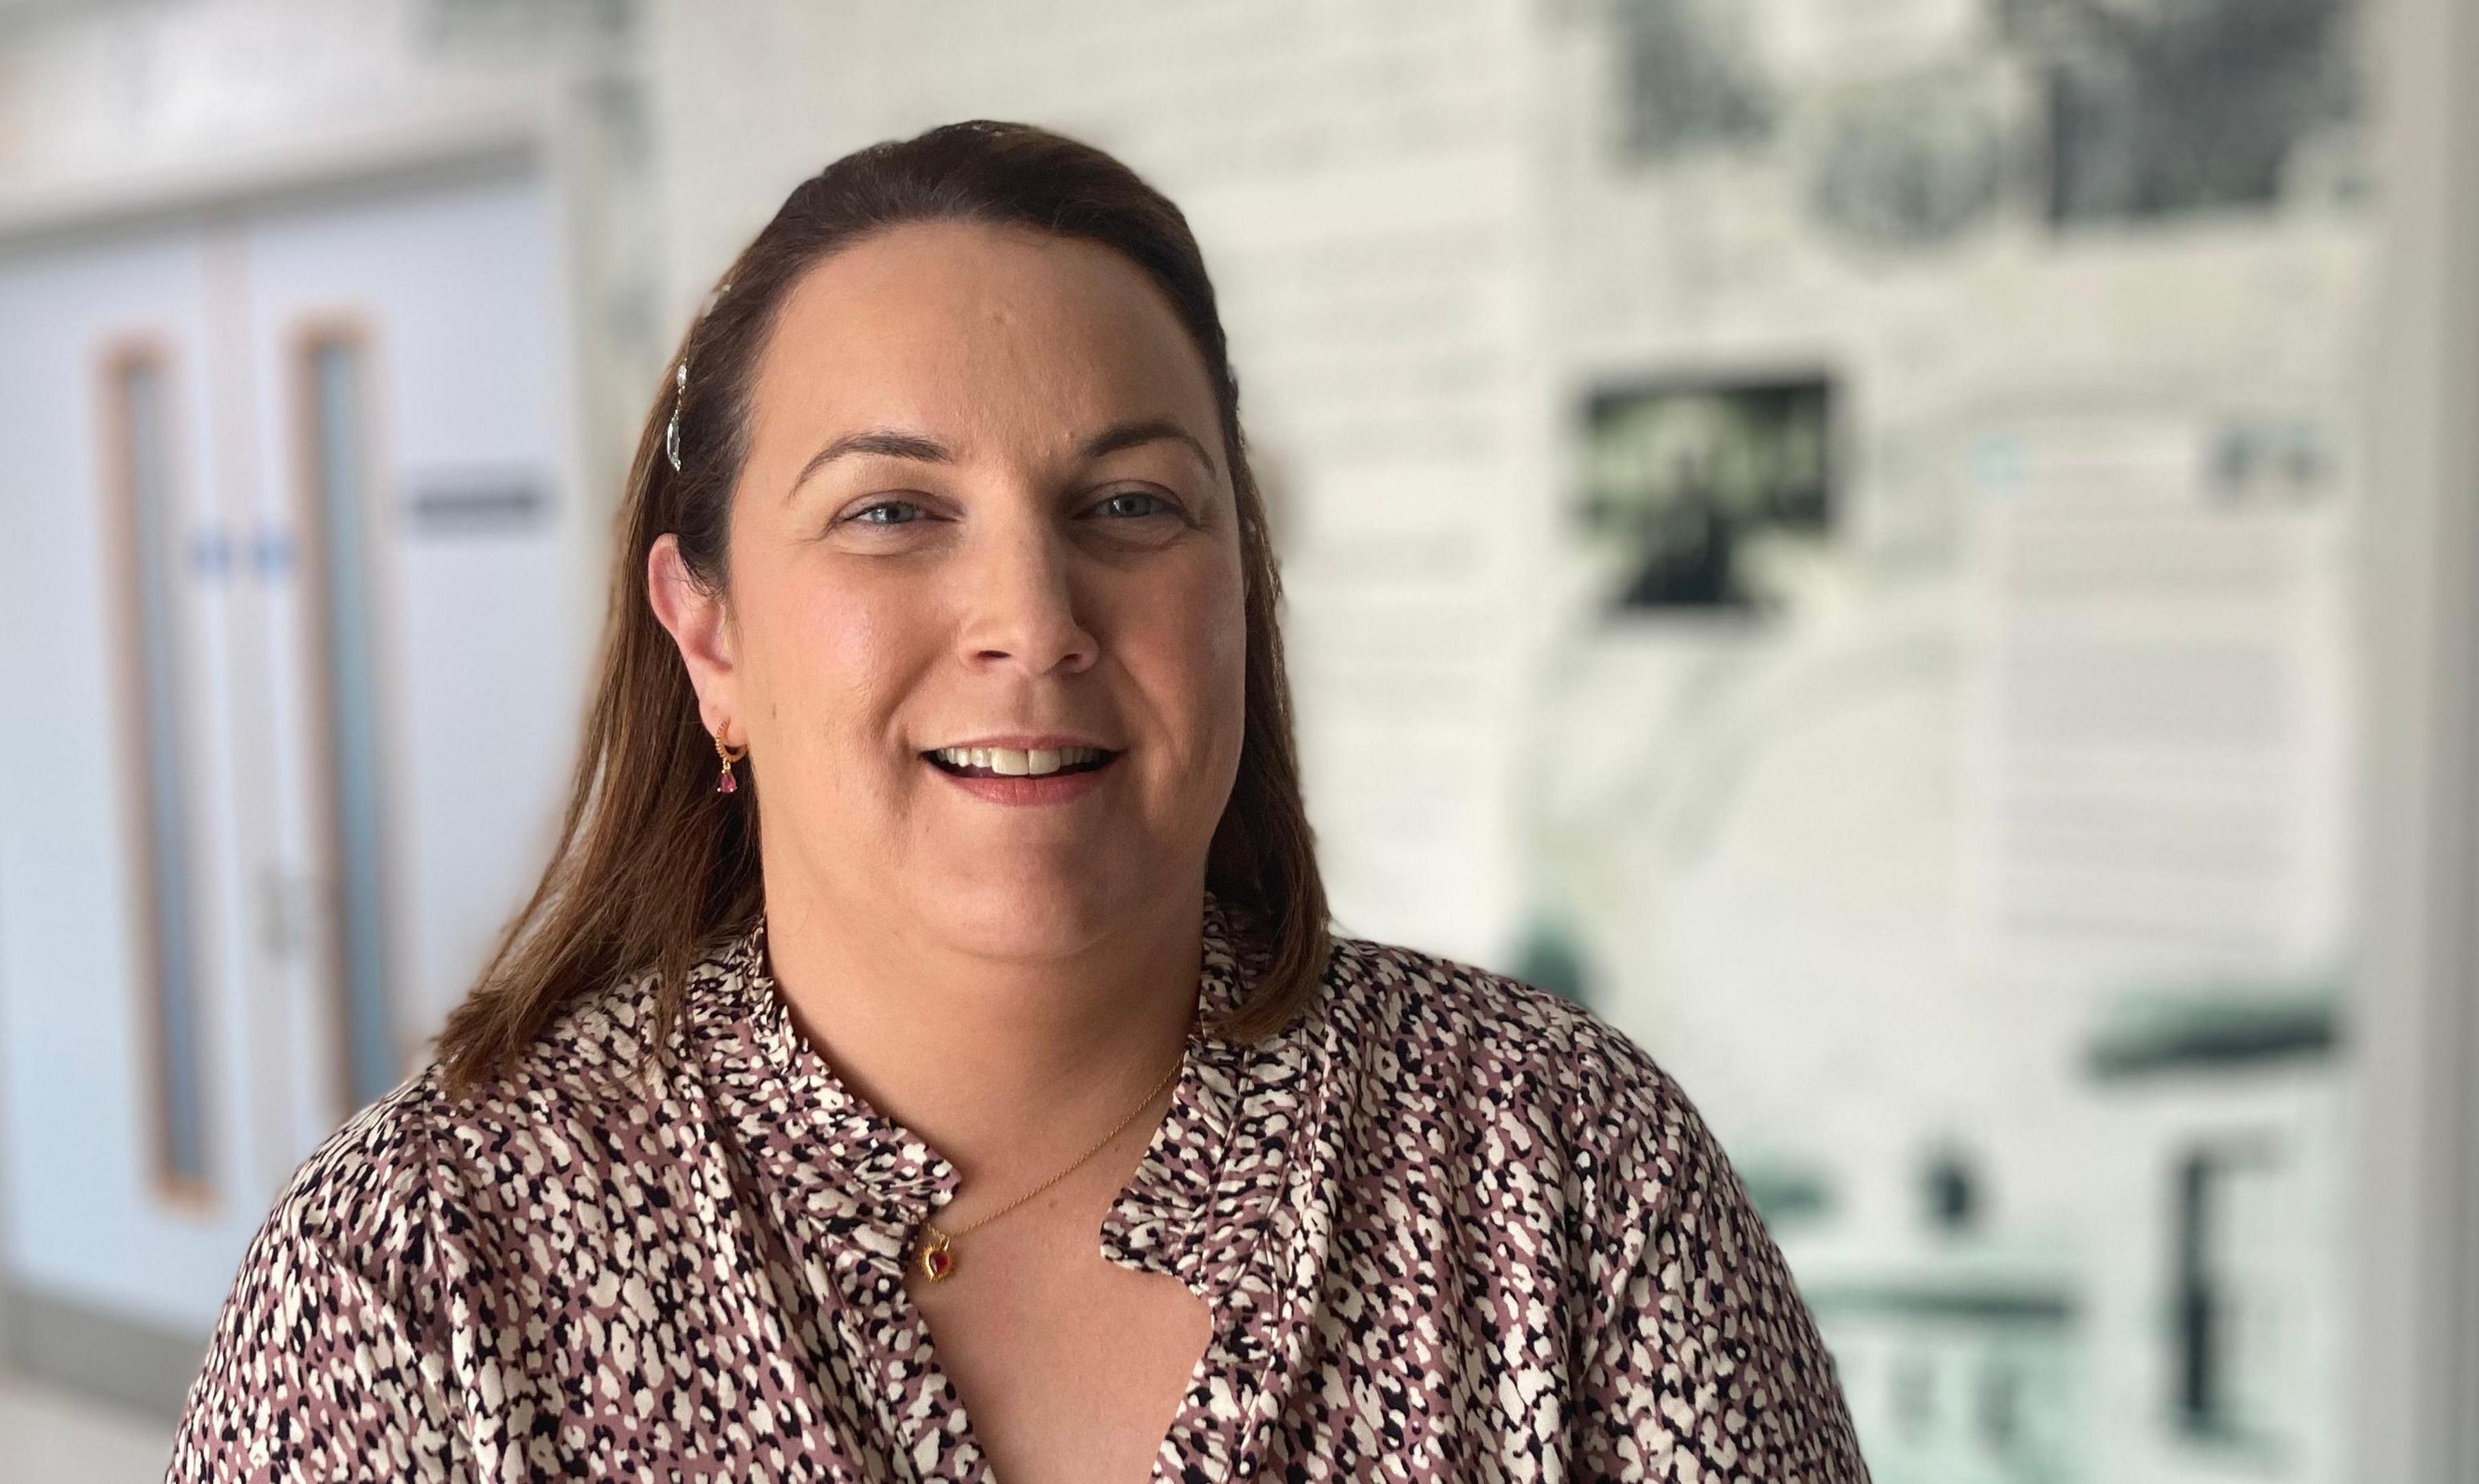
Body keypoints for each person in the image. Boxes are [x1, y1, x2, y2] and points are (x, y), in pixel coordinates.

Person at [164, 120, 1868, 1482]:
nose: (1035, 625)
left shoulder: (1568, 1180)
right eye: (894, 513)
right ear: (713, 635)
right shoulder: (419, 1277)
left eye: (1130, 505)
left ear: (1241, 597)